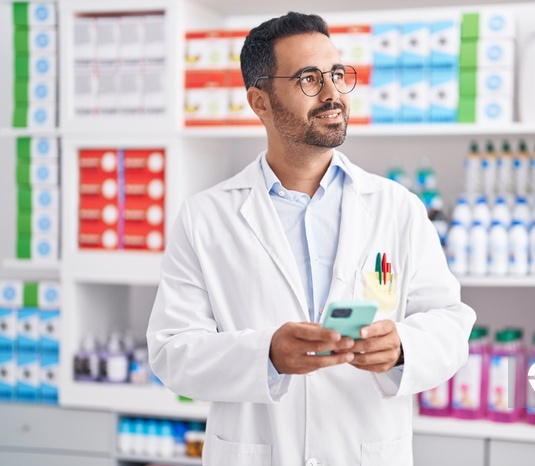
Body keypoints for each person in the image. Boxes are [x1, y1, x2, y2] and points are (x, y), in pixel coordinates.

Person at [147, 12, 476, 466]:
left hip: (363, 450)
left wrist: (402, 347)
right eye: (308, 79)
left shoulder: (396, 207)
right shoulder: (205, 217)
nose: (332, 94)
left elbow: (450, 322)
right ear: (259, 102)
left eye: (338, 75)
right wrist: (266, 355)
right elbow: (171, 351)